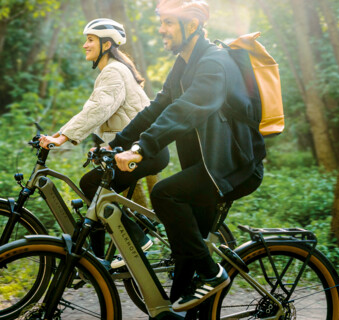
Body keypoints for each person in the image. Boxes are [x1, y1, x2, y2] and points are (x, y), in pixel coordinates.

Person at [111, 0, 266, 312]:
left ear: (191, 25)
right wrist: (118, 143)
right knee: (185, 254)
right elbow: (157, 108)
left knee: (165, 194)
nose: (161, 29)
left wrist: (142, 148)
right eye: (162, 22)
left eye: (169, 23)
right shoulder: (184, 63)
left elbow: (187, 109)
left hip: (233, 167)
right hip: (208, 167)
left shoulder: (214, 62)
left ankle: (213, 273)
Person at [39, 18, 169, 267]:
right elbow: (109, 117)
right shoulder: (113, 71)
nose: (84, 45)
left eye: (90, 40)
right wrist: (100, 145)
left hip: (146, 151)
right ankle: (94, 263)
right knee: (95, 199)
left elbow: (98, 108)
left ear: (106, 44)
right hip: (137, 149)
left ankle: (137, 240)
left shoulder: (114, 72)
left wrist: (62, 136)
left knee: (90, 185)